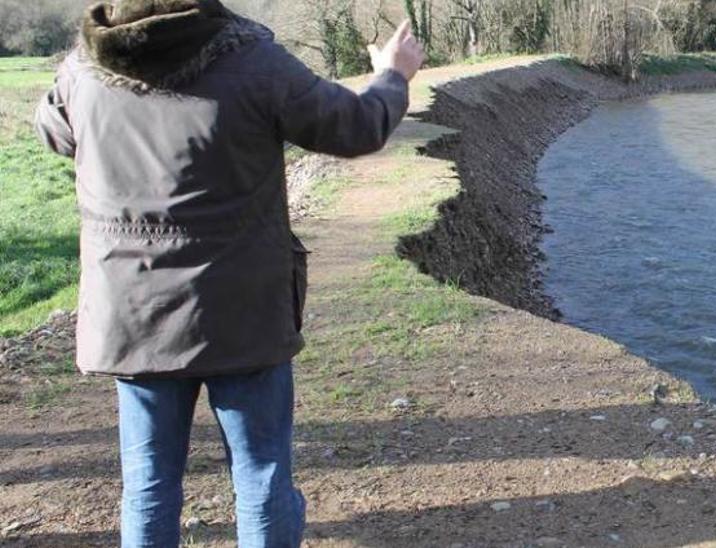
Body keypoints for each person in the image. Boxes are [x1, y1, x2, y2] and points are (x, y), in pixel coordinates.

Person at [33, 1, 425, 546]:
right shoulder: (255, 61)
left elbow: (54, 130)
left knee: (147, 486)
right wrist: (394, 74)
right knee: (261, 476)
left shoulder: (83, 70)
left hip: (133, 314)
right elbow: (357, 127)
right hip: (242, 313)